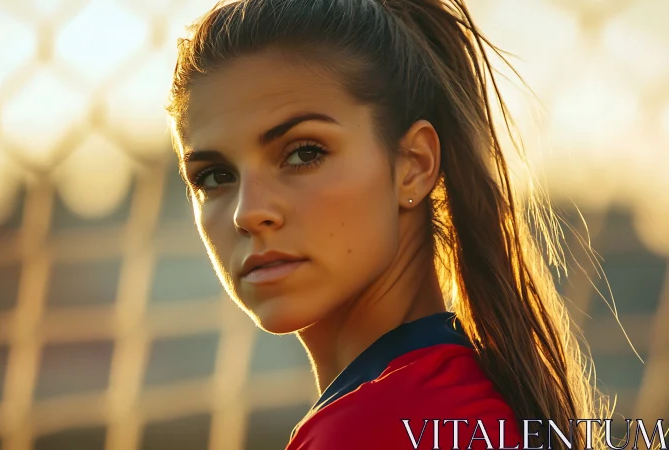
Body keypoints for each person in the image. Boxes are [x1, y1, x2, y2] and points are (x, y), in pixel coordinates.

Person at [165, 0, 606, 448]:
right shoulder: (472, 401)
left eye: (304, 153)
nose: (248, 212)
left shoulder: (371, 427)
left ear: (413, 165)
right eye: (215, 177)